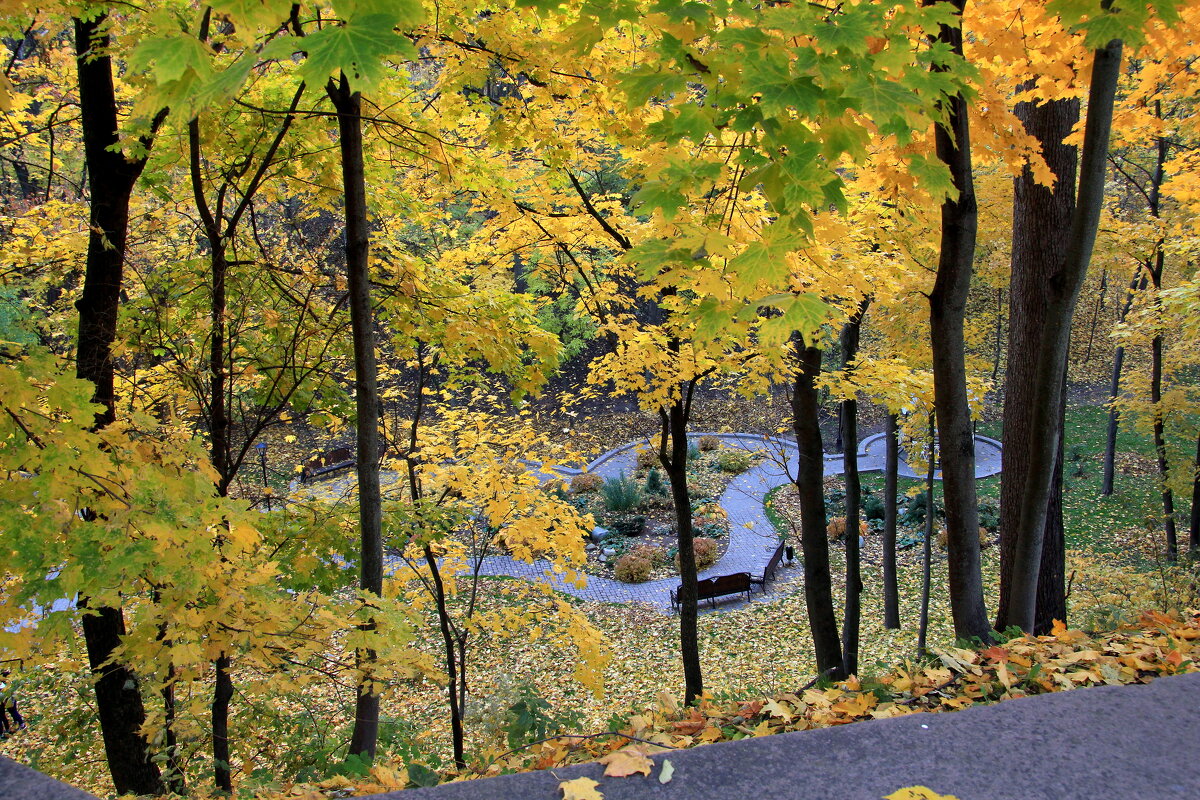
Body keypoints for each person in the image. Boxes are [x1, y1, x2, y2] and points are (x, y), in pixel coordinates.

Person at [0, 670, 25, 735]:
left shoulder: (3, 685)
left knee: (12, 712)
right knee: (12, 711)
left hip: (8, 700)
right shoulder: (10, 682)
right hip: (11, 698)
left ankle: (21, 723)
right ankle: (16, 723)